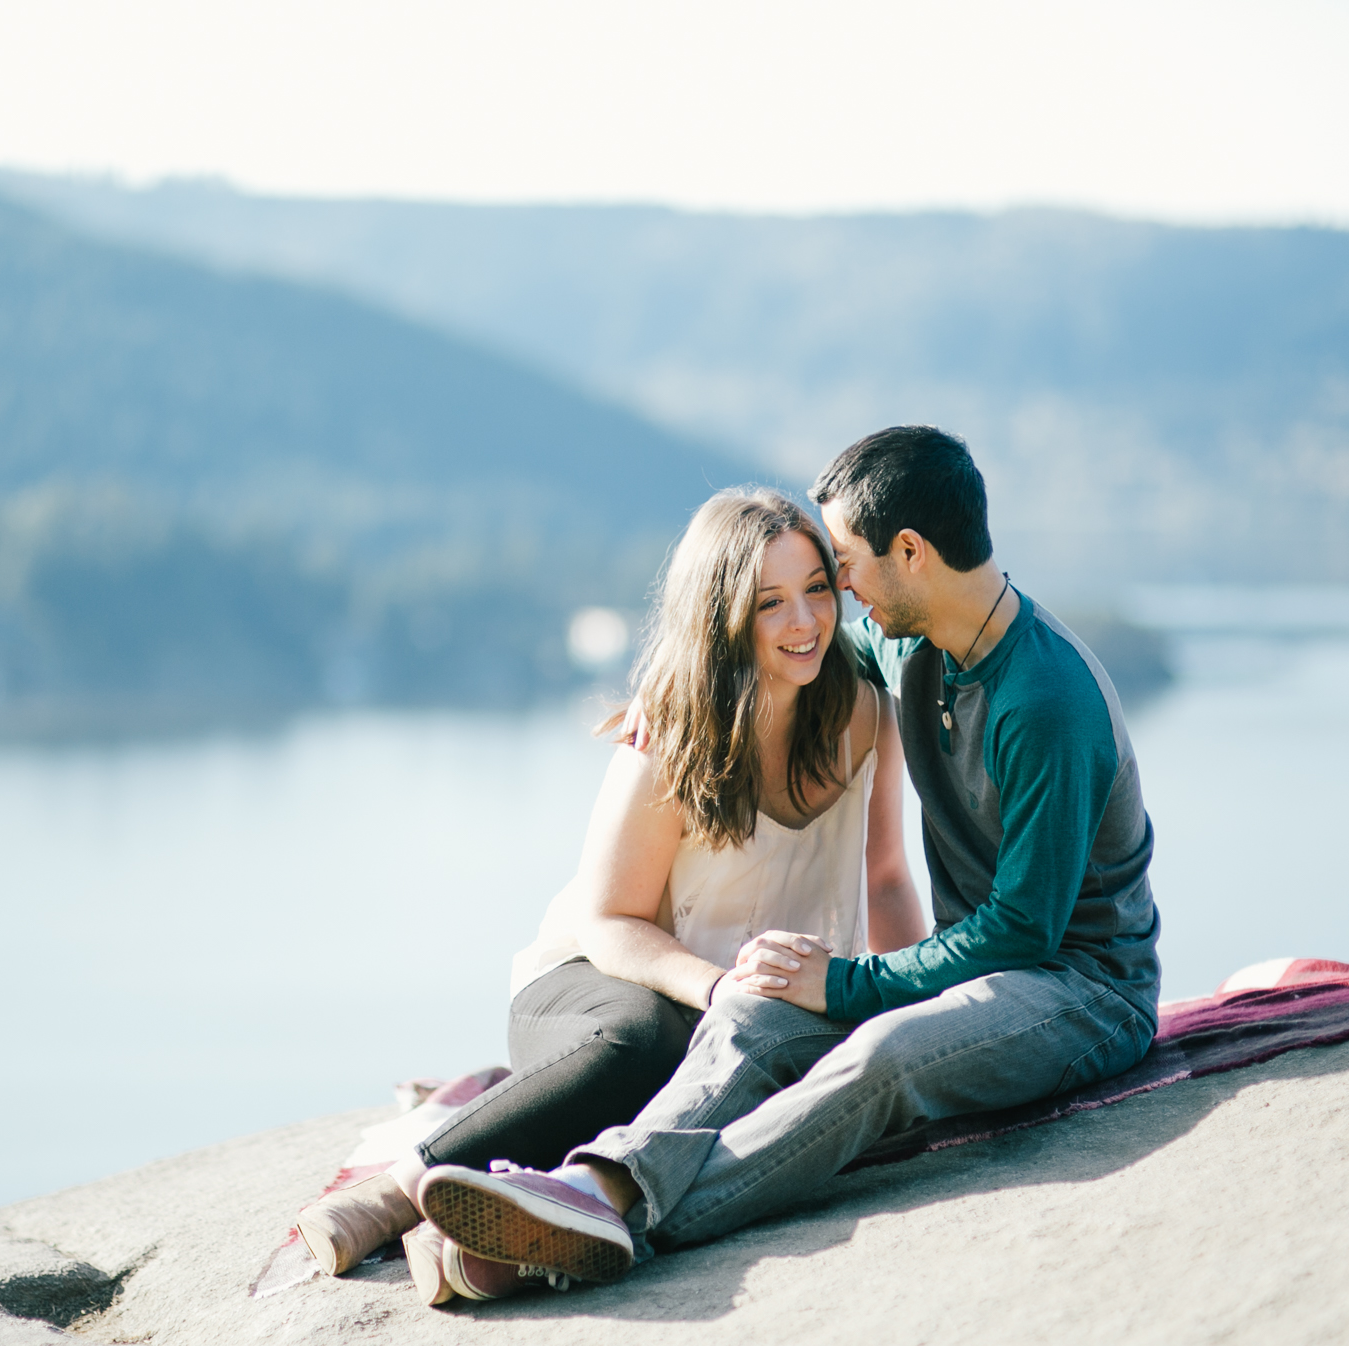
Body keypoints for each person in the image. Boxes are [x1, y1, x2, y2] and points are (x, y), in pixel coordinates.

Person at [414, 425, 1163, 1287]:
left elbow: (1025, 931)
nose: (840, 591)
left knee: (878, 1062)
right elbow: (786, 640)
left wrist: (847, 984)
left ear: (910, 552)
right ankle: (588, 1185)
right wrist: (681, 689)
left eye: (844, 563)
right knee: (754, 1007)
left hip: (1079, 988)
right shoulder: (912, 645)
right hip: (976, 973)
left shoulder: (1045, 701)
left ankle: (613, 1217)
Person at [294, 487, 923, 1302]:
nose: (804, 620)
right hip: (598, 987)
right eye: (770, 602)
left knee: (785, 1094)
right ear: (724, 614)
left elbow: (885, 876)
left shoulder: (863, 713)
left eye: (815, 588)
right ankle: (395, 1189)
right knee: (650, 1040)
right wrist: (715, 986)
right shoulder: (675, 730)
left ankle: (470, 1246)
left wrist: (905, 998)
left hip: (743, 1013)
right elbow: (607, 920)